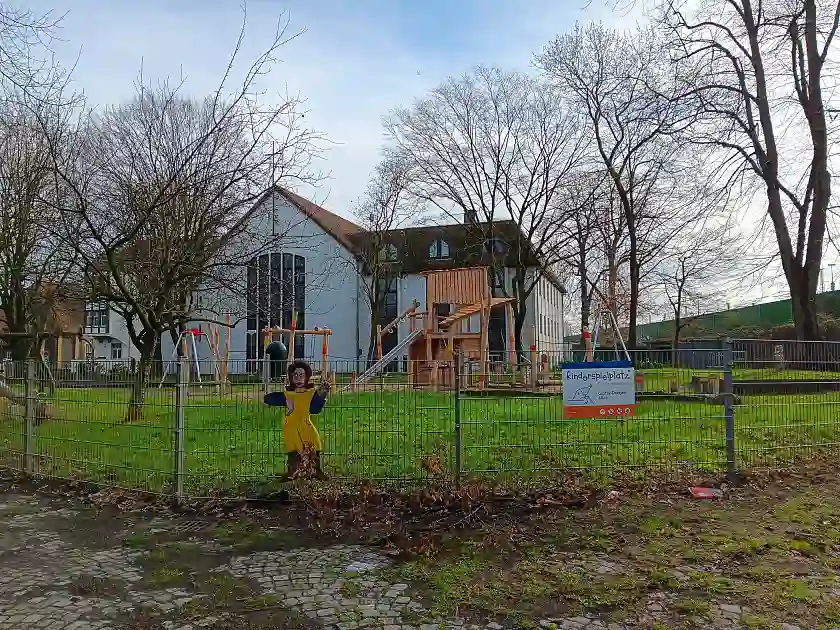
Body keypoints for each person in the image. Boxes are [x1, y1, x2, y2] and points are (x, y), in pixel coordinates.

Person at [264, 360, 331, 480]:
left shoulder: (310, 393)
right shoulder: (288, 394)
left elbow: (315, 409)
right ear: (291, 377)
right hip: (291, 427)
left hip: (306, 424)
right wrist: (272, 399)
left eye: (301, 375)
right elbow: (271, 398)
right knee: (293, 448)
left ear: (307, 377)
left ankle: (316, 470)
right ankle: (293, 471)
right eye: (295, 375)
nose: (298, 378)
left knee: (314, 442)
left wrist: (323, 394)